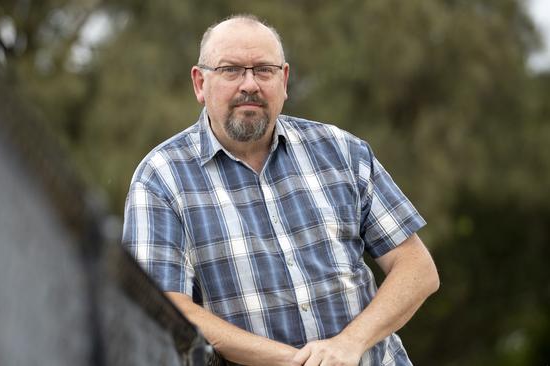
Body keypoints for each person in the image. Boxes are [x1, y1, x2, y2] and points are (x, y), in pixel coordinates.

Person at [122, 14, 439, 366]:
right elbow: (166, 308)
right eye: (230, 70)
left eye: (263, 70)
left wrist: (349, 344)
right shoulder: (161, 178)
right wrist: (299, 362)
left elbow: (417, 268)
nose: (249, 85)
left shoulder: (341, 151)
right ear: (200, 83)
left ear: (284, 80)